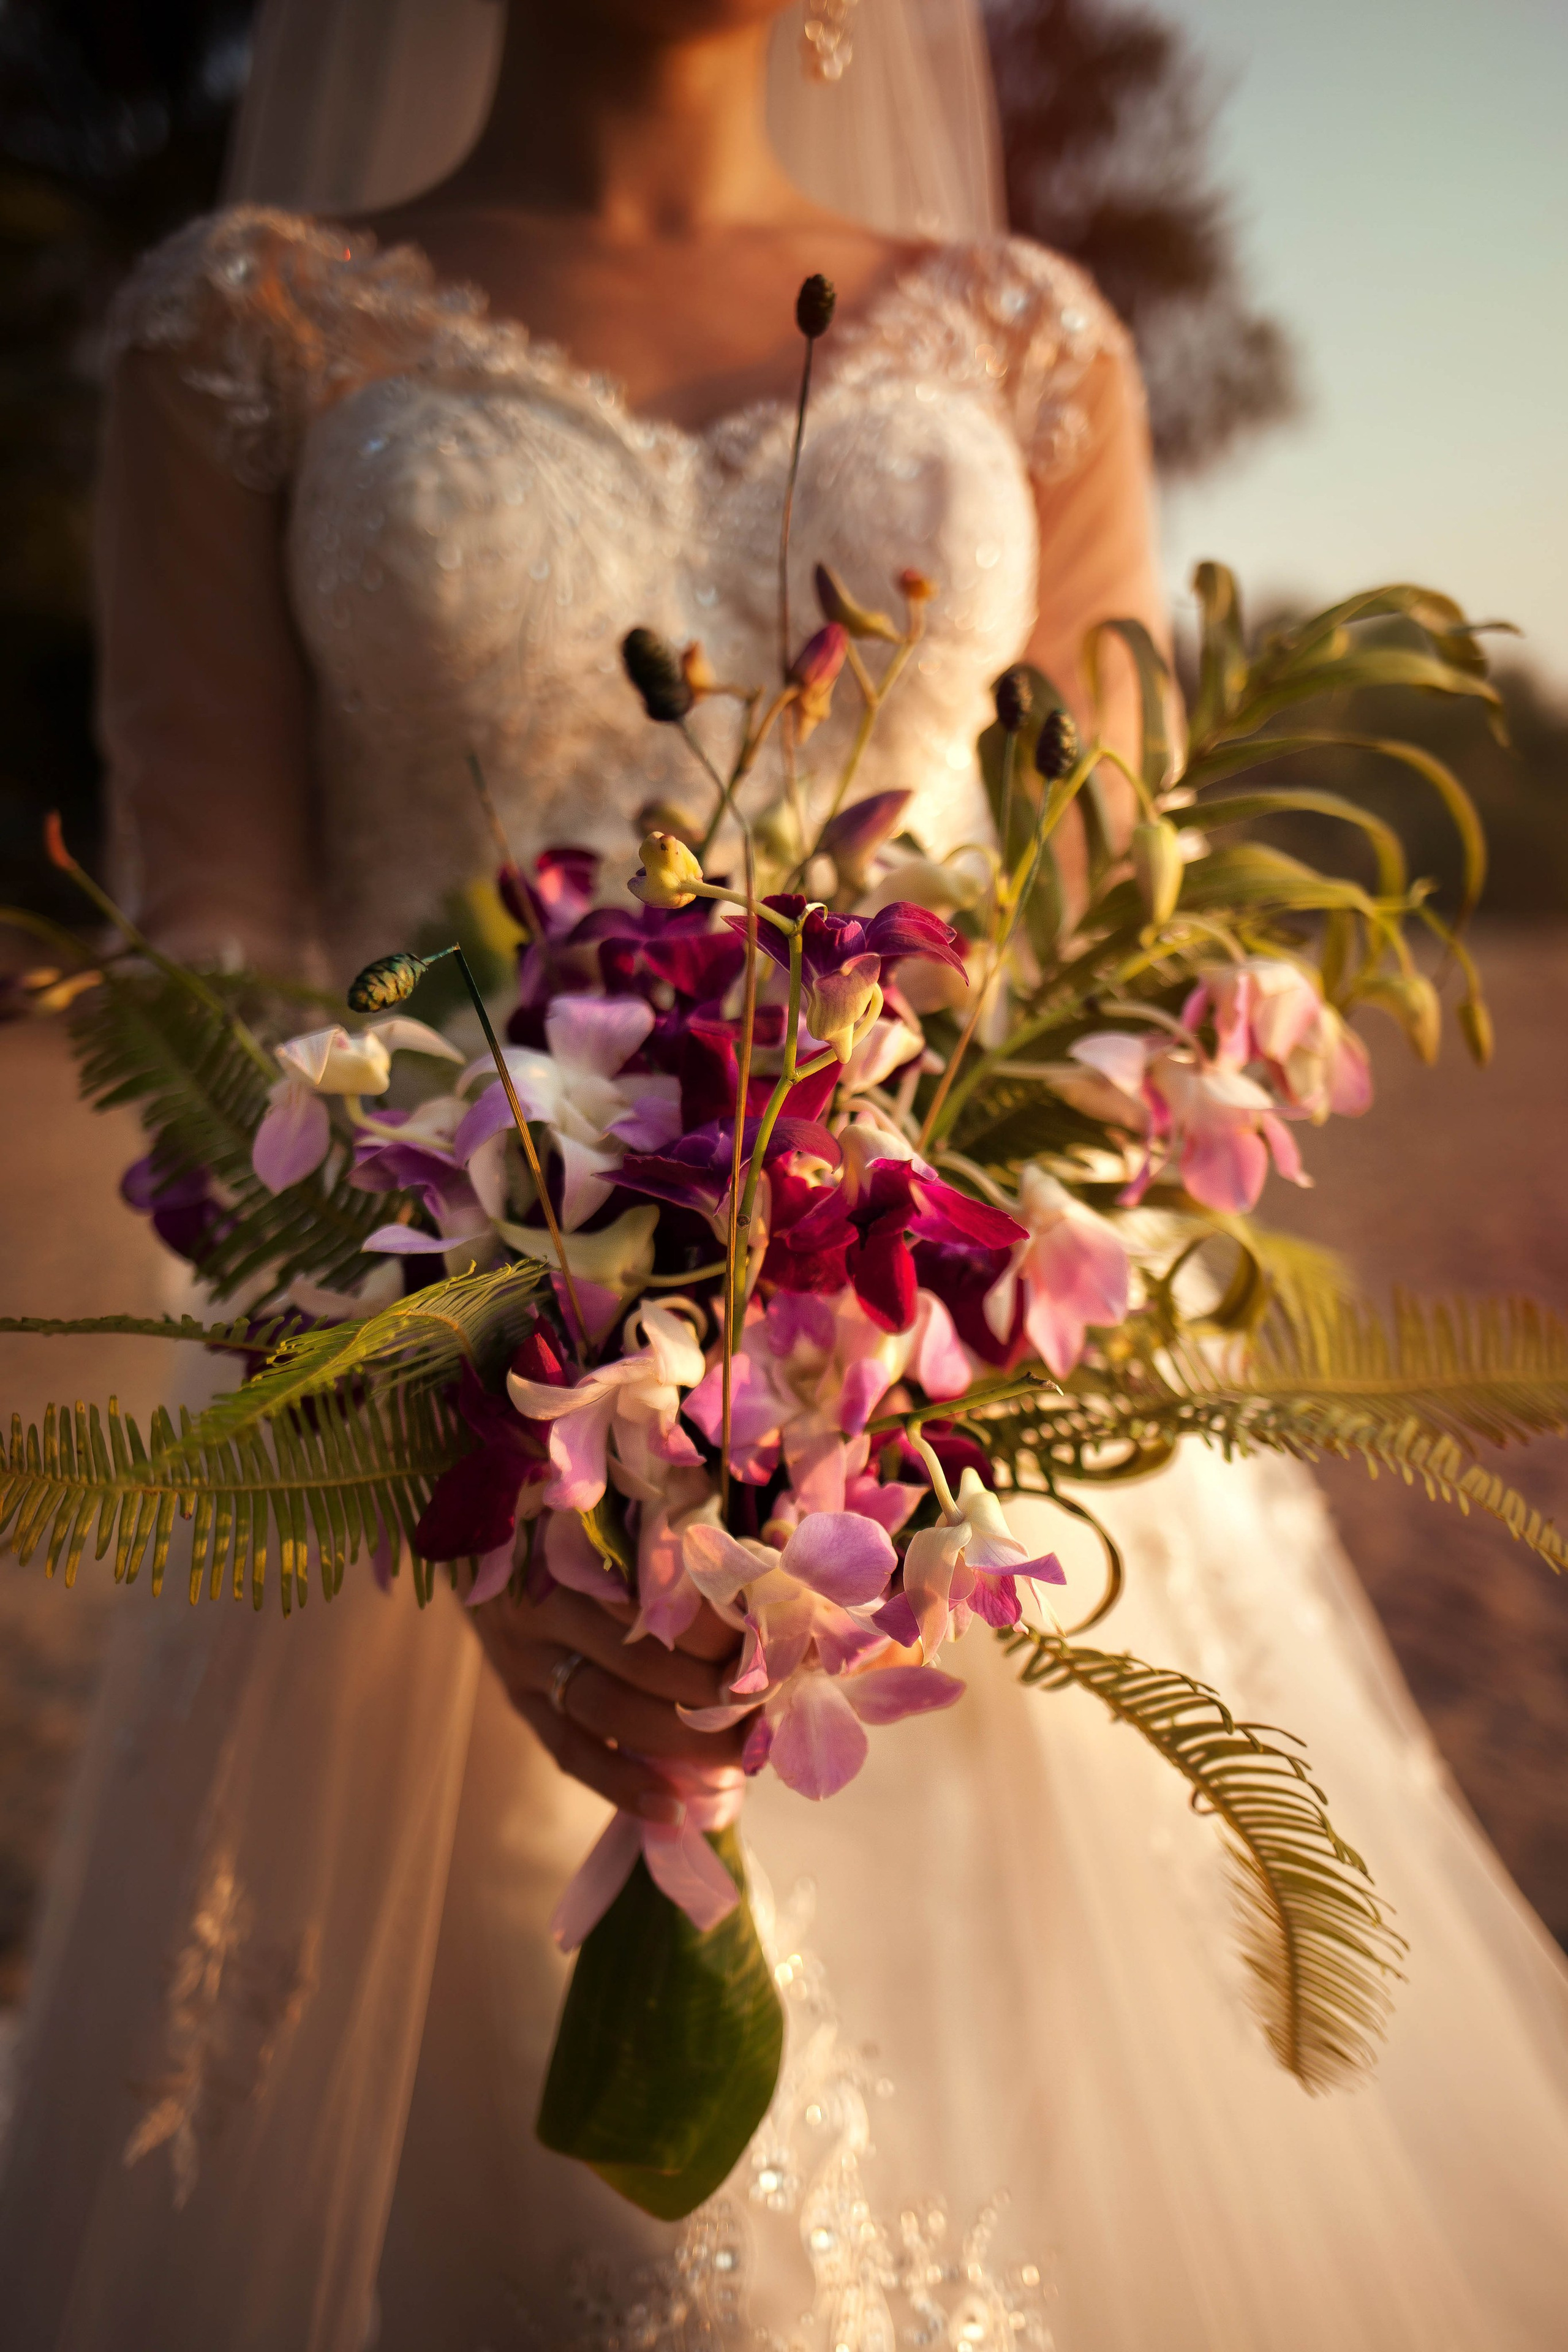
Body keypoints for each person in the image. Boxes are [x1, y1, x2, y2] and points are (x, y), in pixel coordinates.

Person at [2, 3, 1566, 2345]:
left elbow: (1099, 942)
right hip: (430, 1408)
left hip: (937, 1424)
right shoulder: (250, 327)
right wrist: (481, 1474)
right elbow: (207, 988)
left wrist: (902, 1386)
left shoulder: (1026, 343)